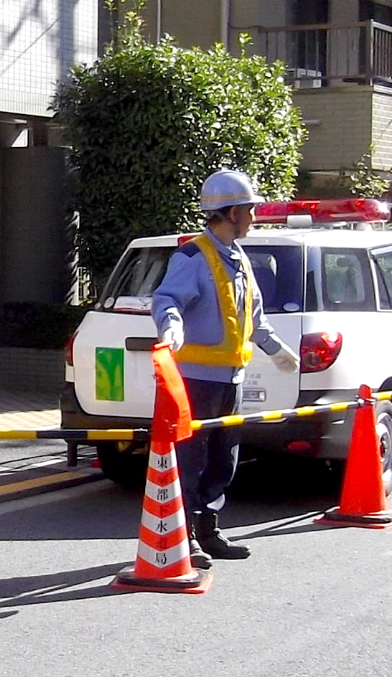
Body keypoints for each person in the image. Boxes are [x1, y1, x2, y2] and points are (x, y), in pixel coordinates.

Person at [152, 169, 300, 570]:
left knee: (224, 458)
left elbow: (254, 319)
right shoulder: (192, 256)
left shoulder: (240, 259)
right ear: (231, 212)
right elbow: (166, 299)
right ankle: (183, 537)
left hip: (231, 379)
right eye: (249, 210)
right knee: (191, 459)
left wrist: (276, 350)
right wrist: (171, 326)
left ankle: (210, 530)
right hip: (196, 380)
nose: (254, 217)